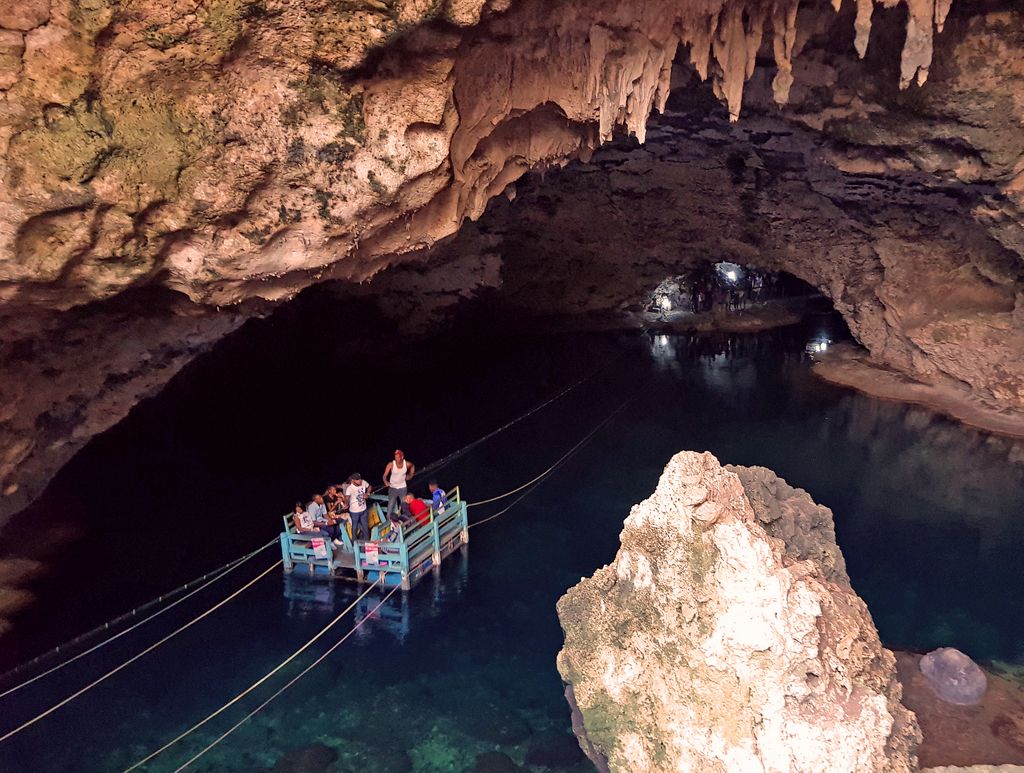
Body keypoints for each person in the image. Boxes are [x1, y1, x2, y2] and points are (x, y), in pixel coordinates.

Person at [382, 450, 415, 520]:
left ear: (402, 457)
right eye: (395, 457)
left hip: (403, 487)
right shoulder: (391, 464)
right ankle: (389, 522)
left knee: (404, 505)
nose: (397, 459)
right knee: (390, 505)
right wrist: (386, 482)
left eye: (398, 457)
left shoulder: (406, 464)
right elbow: (384, 475)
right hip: (393, 488)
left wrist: (410, 475)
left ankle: (407, 521)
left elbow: (412, 466)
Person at [344, 473, 372, 542]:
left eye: (359, 479)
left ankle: (367, 541)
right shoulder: (349, 488)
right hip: (354, 512)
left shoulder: (363, 482)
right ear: (353, 480)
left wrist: (367, 494)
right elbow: (347, 498)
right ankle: (354, 542)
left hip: (364, 509)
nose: (359, 481)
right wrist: (346, 504)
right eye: (357, 480)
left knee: (365, 526)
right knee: (354, 527)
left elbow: (370, 487)